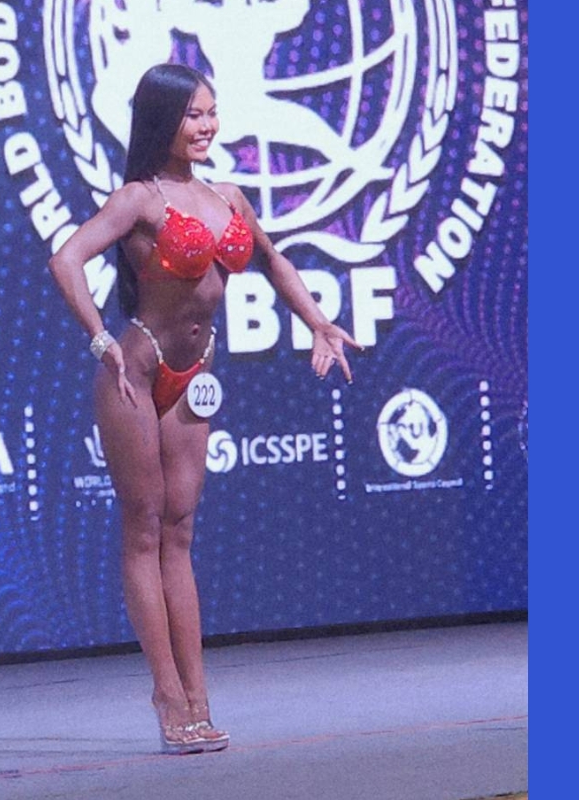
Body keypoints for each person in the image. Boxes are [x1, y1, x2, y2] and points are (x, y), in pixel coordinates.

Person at [48, 63, 359, 755]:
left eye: (212, 112)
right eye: (193, 114)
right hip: (136, 371)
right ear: (162, 120)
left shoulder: (228, 196)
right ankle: (167, 694)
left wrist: (318, 322)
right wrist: (100, 340)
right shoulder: (137, 199)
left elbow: (274, 262)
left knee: (179, 532)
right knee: (144, 531)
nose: (207, 125)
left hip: (195, 377)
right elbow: (66, 260)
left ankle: (199, 697)